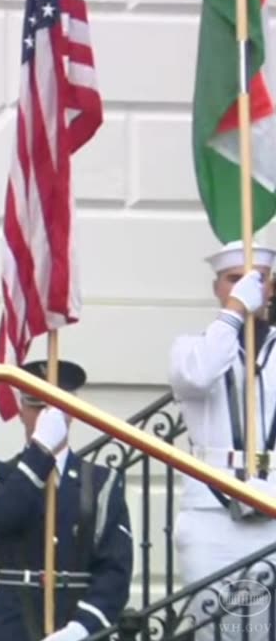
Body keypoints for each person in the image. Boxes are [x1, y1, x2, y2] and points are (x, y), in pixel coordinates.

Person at [168, 240, 276, 638]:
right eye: (234, 279)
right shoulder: (191, 347)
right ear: (218, 287)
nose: (246, 286)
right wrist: (234, 312)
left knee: (264, 628)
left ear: (272, 288)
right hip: (211, 509)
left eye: (258, 280)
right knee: (217, 626)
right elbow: (197, 376)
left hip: (272, 499)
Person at [0, 360, 133, 641]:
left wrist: (80, 629)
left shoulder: (101, 483)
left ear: (72, 412)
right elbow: (3, 516)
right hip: (12, 626)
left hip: (78, 626)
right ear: (21, 409)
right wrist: (41, 450)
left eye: (54, 408)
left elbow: (115, 571)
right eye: (36, 405)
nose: (44, 416)